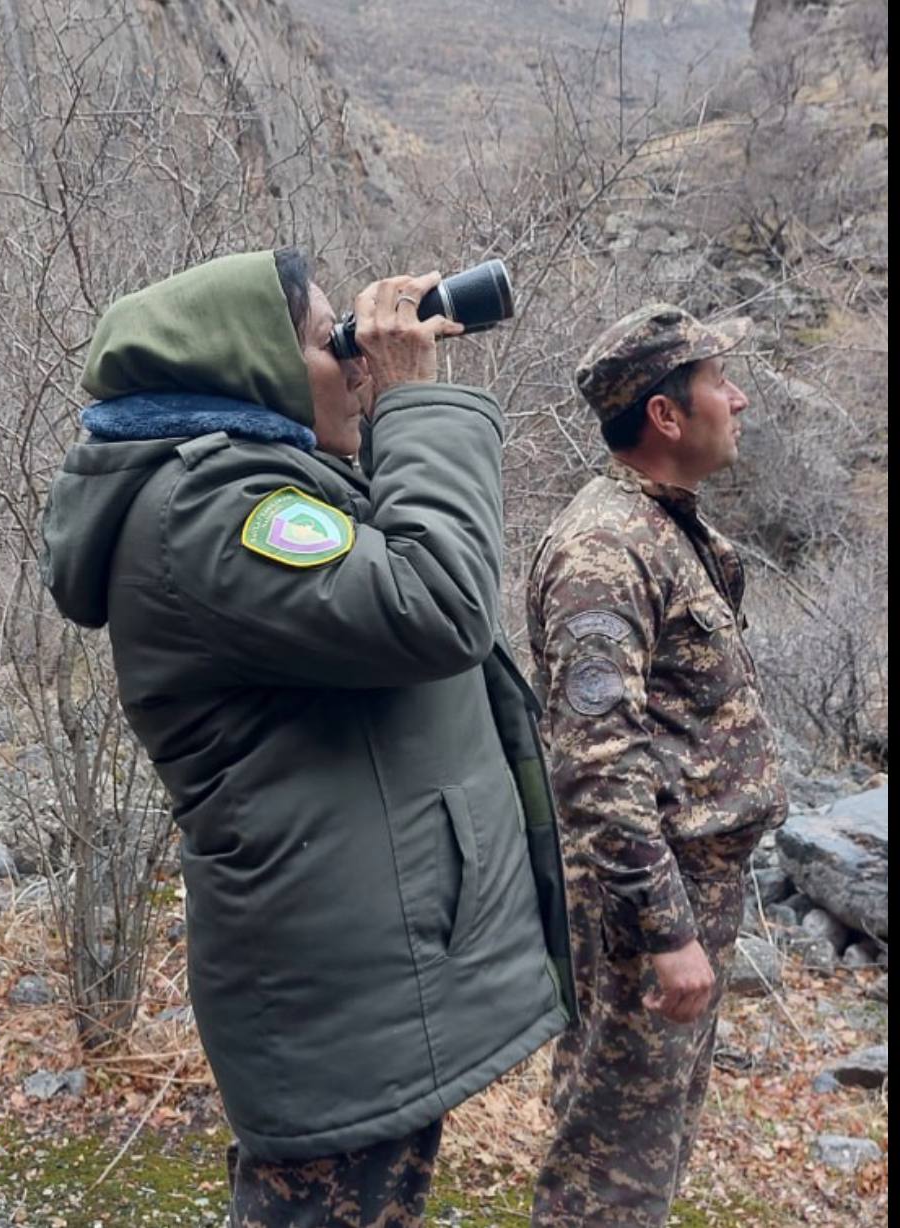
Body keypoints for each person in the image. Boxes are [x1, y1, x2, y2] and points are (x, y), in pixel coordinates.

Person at [40, 248, 576, 1227]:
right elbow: (439, 603)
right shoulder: (206, 517)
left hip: (356, 990)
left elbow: (389, 571)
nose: (360, 363)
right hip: (333, 1010)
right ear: (255, 372)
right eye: (334, 346)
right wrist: (414, 404)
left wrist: (380, 424)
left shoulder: (249, 489)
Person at [526, 303, 788, 1226]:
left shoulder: (665, 528)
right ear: (665, 416)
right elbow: (596, 765)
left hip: (685, 892)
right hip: (645, 908)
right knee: (609, 1167)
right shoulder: (606, 549)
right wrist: (668, 930)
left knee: (650, 1146)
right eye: (721, 382)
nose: (740, 397)